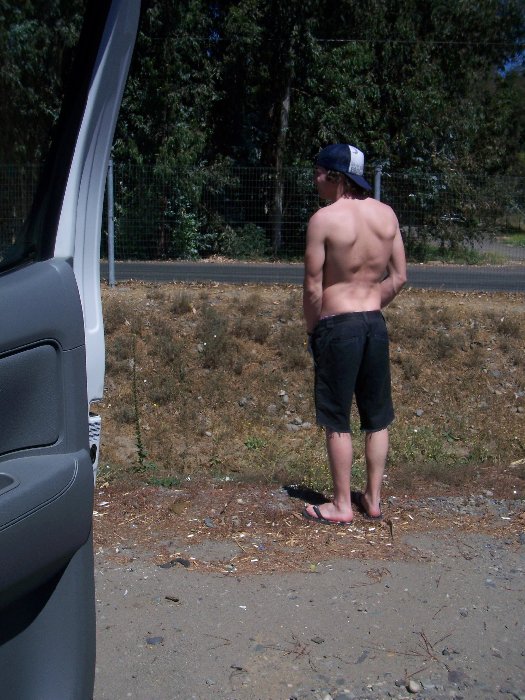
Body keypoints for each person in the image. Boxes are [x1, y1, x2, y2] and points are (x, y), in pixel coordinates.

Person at [302, 144, 407, 525]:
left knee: (336, 418)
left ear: (336, 176)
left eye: (318, 172)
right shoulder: (386, 214)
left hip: (337, 326)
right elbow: (399, 277)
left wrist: (315, 329)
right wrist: (370, 304)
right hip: (373, 324)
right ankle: (373, 500)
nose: (315, 179)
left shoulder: (323, 220)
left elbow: (313, 287)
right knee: (377, 417)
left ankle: (342, 504)